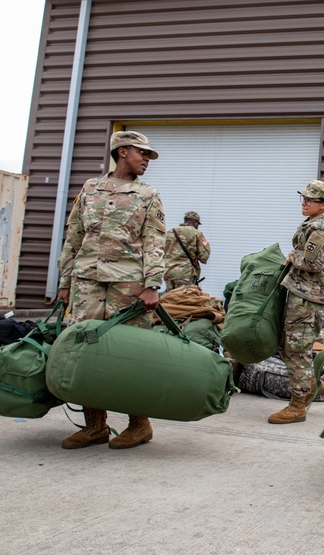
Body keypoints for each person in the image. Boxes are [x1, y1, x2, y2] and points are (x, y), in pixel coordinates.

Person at [56, 130, 166, 450]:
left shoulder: (148, 195)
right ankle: (95, 426)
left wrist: (152, 285)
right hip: (87, 282)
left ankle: (139, 424)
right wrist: (64, 283)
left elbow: (155, 242)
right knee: (84, 352)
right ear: (121, 152)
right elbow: (74, 236)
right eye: (141, 153)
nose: (146, 159)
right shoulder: (91, 189)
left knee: (130, 355)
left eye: (147, 155)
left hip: (128, 285)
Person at [269, 180, 324, 424]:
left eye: (310, 199)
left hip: (308, 298)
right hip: (301, 294)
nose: (305, 202)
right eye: (304, 198)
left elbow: (312, 263)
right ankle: (311, 386)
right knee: (285, 345)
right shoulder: (313, 223)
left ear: (323, 205)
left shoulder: (320, 228)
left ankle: (297, 405)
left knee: (297, 349)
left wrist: (293, 255)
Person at [163, 210, 211, 289]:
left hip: (168, 273)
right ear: (194, 222)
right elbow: (204, 256)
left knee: (170, 299)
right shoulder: (196, 233)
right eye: (197, 224)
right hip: (185, 274)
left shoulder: (169, 233)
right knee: (184, 300)